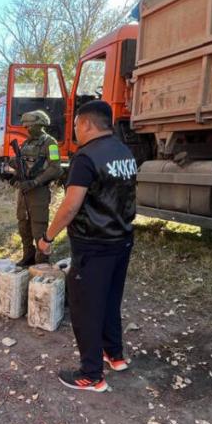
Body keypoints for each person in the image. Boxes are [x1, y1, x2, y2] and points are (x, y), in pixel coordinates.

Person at [37, 100, 137, 392]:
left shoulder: (85, 157)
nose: (76, 131)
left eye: (77, 125)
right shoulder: (124, 151)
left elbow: (70, 206)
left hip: (93, 246)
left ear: (87, 124)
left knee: (85, 309)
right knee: (109, 301)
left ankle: (91, 375)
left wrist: (48, 237)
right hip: (122, 241)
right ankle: (115, 355)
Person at [11, 110, 62, 266]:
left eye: (30, 126)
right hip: (24, 191)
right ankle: (28, 255)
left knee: (38, 227)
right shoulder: (27, 143)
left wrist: (35, 182)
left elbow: (55, 168)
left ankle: (41, 261)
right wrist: (14, 166)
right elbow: (20, 162)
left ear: (40, 125)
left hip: (38, 191)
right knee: (23, 225)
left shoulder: (50, 143)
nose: (27, 129)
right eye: (26, 126)